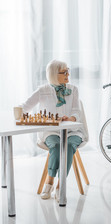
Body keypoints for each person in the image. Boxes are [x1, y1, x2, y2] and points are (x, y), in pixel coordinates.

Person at [21, 60, 84, 201]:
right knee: (56, 146)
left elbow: (77, 111)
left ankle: (60, 186)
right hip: (51, 131)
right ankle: (49, 182)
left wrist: (72, 118)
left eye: (68, 71)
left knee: (67, 145)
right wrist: (17, 113)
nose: (68, 74)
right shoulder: (43, 90)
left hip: (73, 131)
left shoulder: (73, 89)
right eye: (64, 72)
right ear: (54, 74)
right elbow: (25, 107)